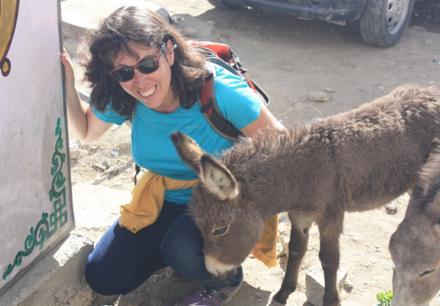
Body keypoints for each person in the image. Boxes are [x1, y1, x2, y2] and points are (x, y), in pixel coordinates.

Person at [61, 5, 284, 306]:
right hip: (165, 199)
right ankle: (185, 256)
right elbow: (87, 130)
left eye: (148, 64)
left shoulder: (218, 91)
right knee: (104, 277)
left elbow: (283, 147)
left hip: (223, 203)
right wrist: (66, 84)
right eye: (125, 72)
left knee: (180, 245)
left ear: (168, 51)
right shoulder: (123, 94)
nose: (140, 82)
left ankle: (224, 280)